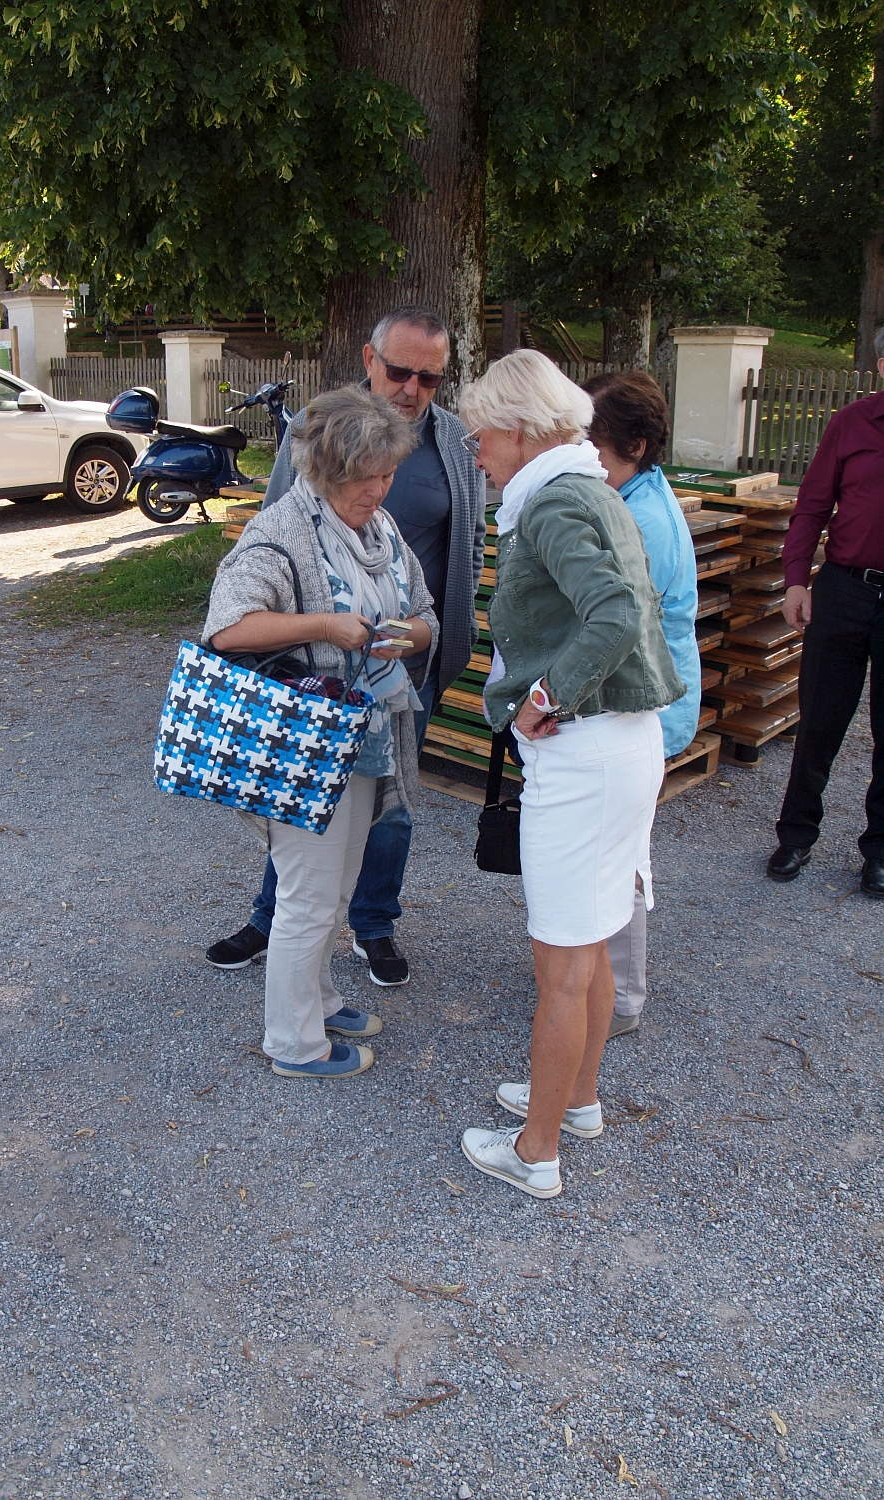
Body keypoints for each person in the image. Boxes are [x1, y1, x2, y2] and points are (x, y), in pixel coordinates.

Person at [456, 351, 683, 1198]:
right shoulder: (588, 485)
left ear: (517, 430)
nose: (476, 451)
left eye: (481, 436)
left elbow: (617, 613)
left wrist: (541, 697)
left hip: (585, 753)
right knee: (587, 945)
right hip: (622, 746)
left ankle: (534, 1152)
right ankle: (576, 1100)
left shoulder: (551, 501)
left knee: (562, 964)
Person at [205, 305, 486, 986]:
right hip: (314, 676)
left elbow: (468, 542)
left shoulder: (451, 440)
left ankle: (373, 925)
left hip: (398, 668)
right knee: (300, 795)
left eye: (430, 377)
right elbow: (276, 530)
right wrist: (311, 628)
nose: (413, 388)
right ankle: (274, 921)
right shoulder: (317, 430)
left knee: (389, 805)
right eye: (400, 371)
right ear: (368, 360)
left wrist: (426, 634)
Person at [202, 386, 439, 1079]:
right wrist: (325, 626)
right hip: (300, 742)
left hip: (361, 735)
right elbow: (226, 628)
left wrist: (408, 635)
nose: (379, 488)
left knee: (334, 889)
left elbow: (422, 610)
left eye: (387, 472)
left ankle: (320, 997)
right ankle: (293, 1044)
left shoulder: (379, 531)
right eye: (365, 476)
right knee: (307, 898)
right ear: (326, 472)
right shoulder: (281, 533)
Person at [583, 370, 701, 1038]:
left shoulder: (641, 519)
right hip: (644, 698)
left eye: (592, 440)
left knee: (619, 851)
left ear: (635, 442)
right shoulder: (632, 493)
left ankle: (620, 997)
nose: (581, 453)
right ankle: (593, 974)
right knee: (609, 844)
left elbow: (613, 631)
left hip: (647, 707)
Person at [766, 325, 884, 897]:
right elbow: (811, 507)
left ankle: (879, 852)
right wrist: (795, 581)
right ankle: (796, 834)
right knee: (819, 720)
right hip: (844, 589)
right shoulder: (851, 425)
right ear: (881, 365)